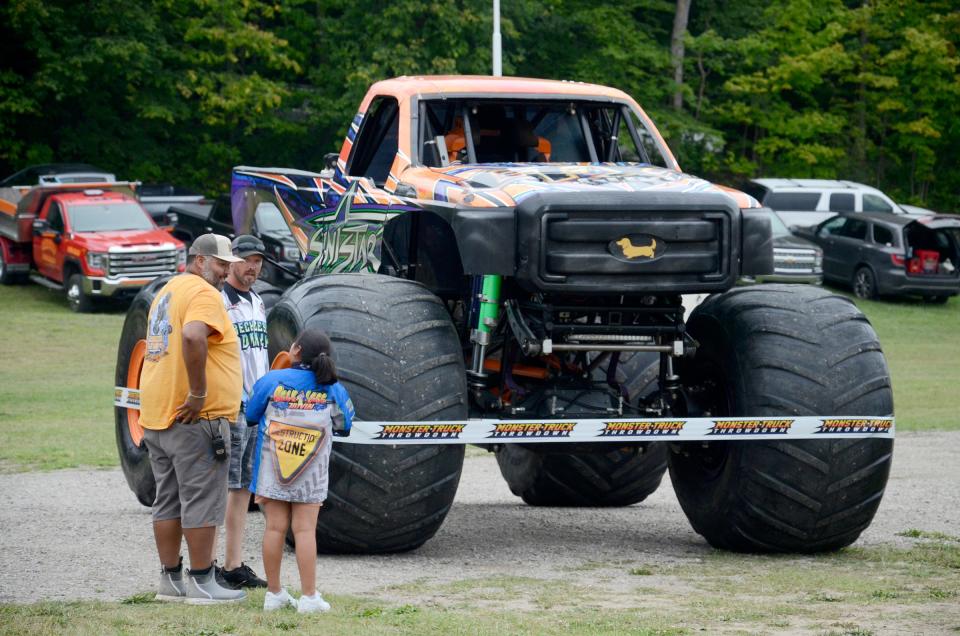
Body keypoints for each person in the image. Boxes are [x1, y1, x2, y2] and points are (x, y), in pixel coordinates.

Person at [138, 233, 247, 604]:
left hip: (159, 413)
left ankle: (170, 581)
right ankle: (202, 581)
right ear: (199, 260)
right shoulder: (203, 293)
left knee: (167, 500)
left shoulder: (167, 292)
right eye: (220, 264)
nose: (224, 272)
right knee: (201, 498)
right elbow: (193, 335)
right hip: (195, 418)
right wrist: (199, 394)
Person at [246, 329, 354, 613]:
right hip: (312, 472)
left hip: (272, 468)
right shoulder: (333, 388)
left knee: (274, 528)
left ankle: (274, 594)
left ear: (294, 350)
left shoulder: (271, 381)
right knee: (305, 530)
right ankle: (309, 597)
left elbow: (249, 416)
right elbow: (345, 424)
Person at [214, 235, 270, 589]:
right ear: (231, 261)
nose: (253, 267)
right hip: (233, 404)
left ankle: (234, 562)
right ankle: (222, 563)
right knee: (229, 484)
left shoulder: (259, 302)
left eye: (258, 262)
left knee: (244, 487)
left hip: (256, 406)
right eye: (247, 260)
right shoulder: (218, 300)